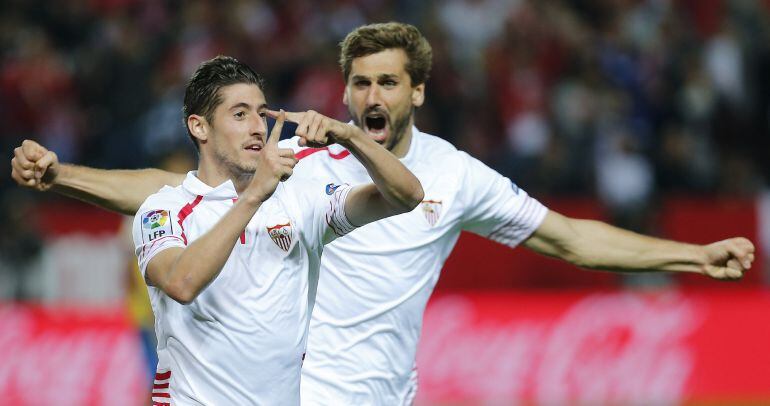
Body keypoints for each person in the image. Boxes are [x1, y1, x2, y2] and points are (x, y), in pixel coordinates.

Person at [11, 23, 754, 406]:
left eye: (388, 83)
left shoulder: (456, 175)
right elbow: (170, 189)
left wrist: (690, 256)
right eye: (360, 83)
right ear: (345, 89)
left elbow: (571, 239)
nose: (372, 96)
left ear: (416, 92)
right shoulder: (296, 157)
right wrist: (64, 175)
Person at [20, 55, 422, 405]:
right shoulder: (164, 209)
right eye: (240, 114)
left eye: (261, 113)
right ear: (199, 127)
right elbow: (181, 282)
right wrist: (253, 196)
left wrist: (351, 136)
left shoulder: (301, 199)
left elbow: (407, 196)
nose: (257, 127)